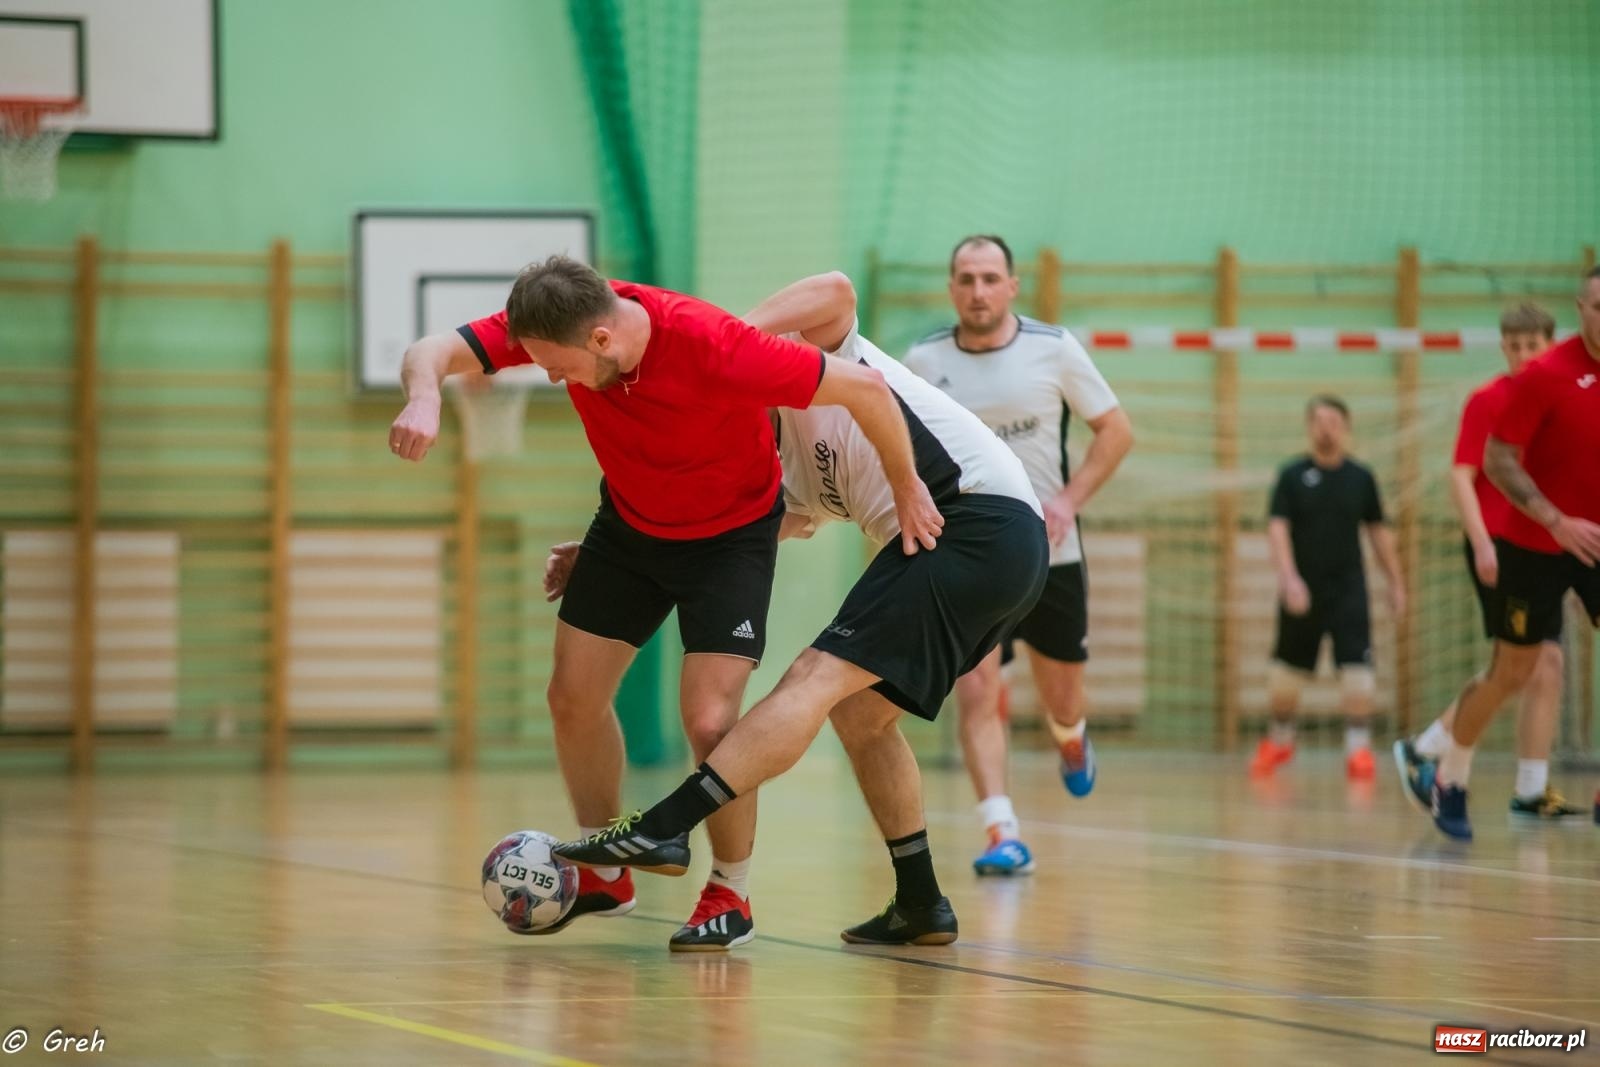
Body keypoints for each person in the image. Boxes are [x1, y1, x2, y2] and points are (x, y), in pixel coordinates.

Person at [388, 257, 940, 951]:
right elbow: (429, 350)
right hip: (628, 529)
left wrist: (907, 485)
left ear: (601, 341)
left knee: (711, 723)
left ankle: (729, 891)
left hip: (730, 542)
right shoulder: (559, 317)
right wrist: (424, 395)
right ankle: (607, 868)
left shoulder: (715, 347)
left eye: (558, 368)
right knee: (571, 696)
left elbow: (863, 386)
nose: (553, 379)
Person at [551, 273, 1050, 946]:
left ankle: (669, 820)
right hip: (973, 547)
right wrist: (598, 550)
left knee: (813, 677)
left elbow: (838, 290)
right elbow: (712, 526)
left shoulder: (800, 365)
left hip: (976, 519)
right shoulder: (768, 464)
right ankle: (921, 901)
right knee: (860, 715)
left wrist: (728, 344)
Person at [904, 234, 1133, 876]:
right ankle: (1001, 830)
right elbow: (890, 439)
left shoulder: (1052, 349)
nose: (978, 290)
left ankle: (1071, 737)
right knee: (977, 691)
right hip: (970, 559)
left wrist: (1067, 502)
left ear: (1012, 286)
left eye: (989, 278)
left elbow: (1116, 431)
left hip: (1051, 556)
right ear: (952, 289)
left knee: (1063, 699)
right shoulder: (922, 361)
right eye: (966, 279)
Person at [1401, 268, 1600, 840]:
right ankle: (1449, 777)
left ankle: (1529, 786)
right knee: (1512, 670)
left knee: (1552, 666)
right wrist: (1555, 521)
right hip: (1532, 544)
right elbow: (1495, 461)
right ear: (1581, 308)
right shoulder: (1539, 379)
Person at [1250, 396, 1405, 780]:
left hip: (1349, 589)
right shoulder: (1291, 476)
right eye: (1319, 420)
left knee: (1358, 672)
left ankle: (1358, 752)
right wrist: (1288, 579)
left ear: (1346, 426)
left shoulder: (1361, 478)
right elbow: (1277, 528)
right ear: (1309, 426)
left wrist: (1396, 582)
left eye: (1334, 420)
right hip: (1302, 590)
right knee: (1285, 674)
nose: (1326, 427)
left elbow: (1378, 533)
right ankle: (1280, 740)